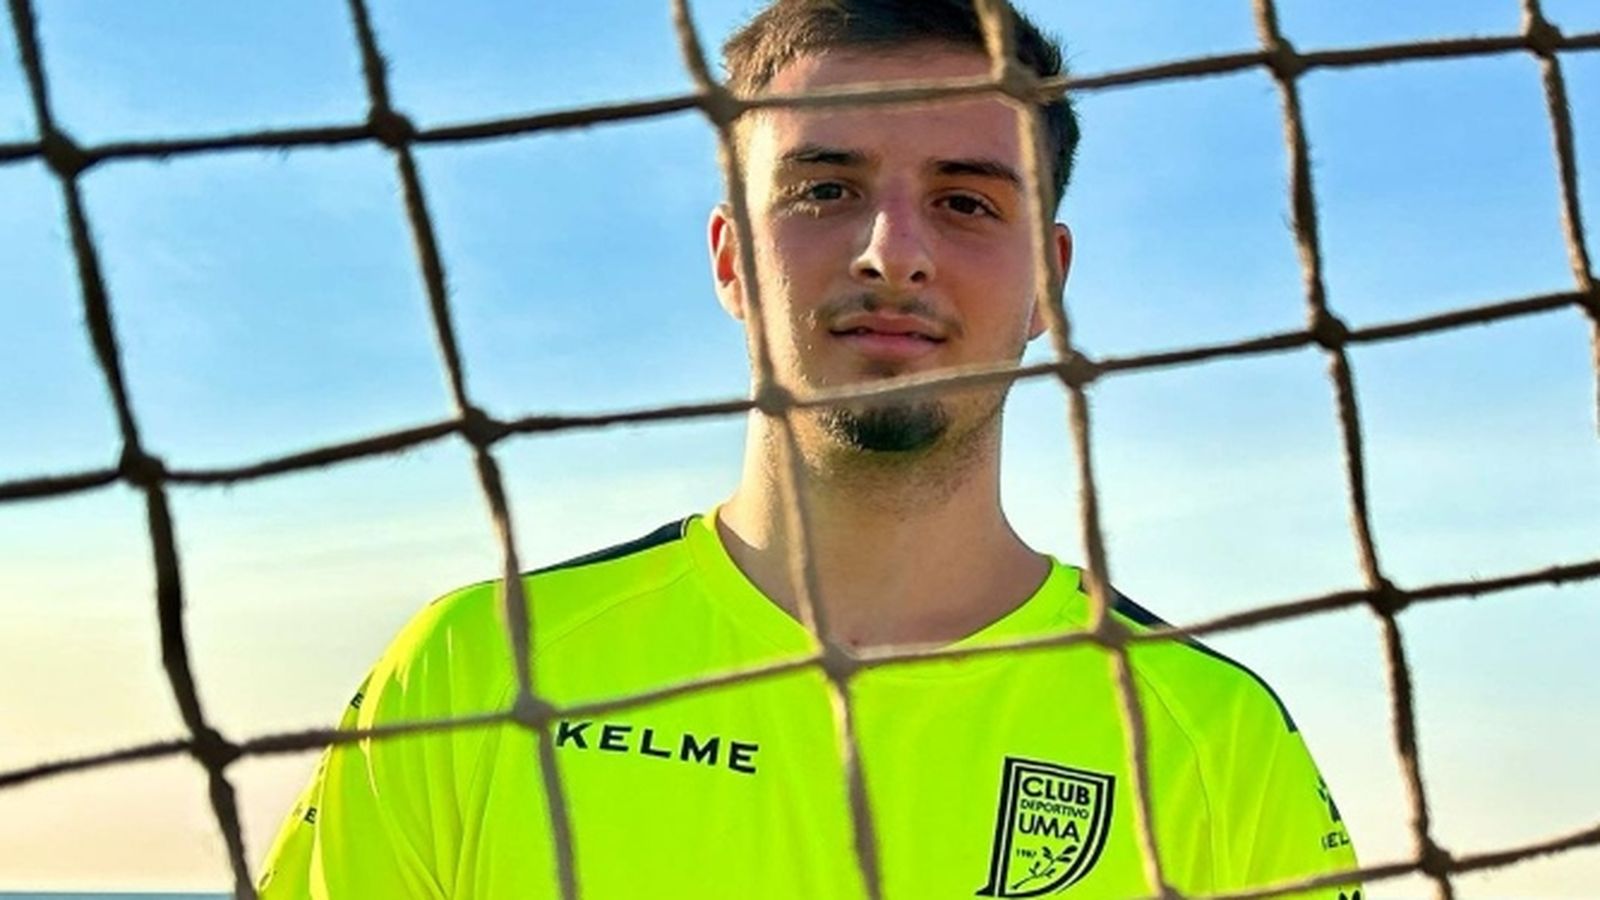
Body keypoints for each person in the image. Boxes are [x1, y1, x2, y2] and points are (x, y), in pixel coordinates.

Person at [257, 1, 1362, 897]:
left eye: (967, 200)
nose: (893, 253)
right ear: (732, 258)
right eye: (825, 190)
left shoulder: (1212, 740)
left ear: (1049, 283)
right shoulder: (476, 672)